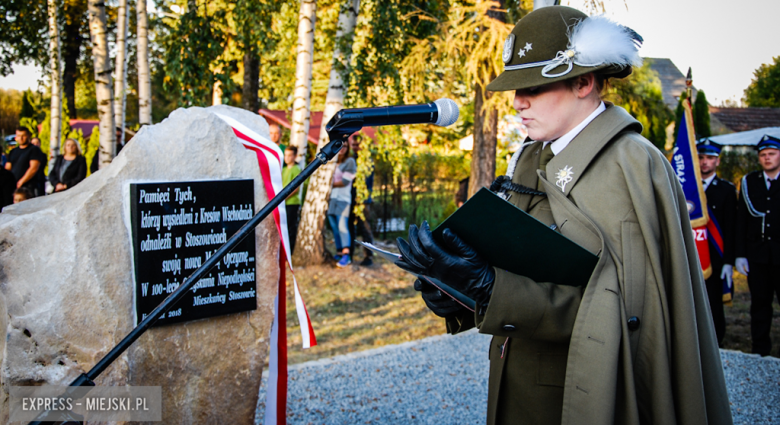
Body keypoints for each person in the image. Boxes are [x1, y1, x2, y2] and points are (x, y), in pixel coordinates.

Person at [396, 7, 731, 425]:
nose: (518, 102)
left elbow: (623, 314)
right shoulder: (531, 156)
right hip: (520, 382)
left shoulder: (631, 164)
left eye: (533, 87)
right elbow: (519, 262)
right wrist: (458, 291)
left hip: (587, 394)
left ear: (584, 82)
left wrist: (489, 290)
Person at [735, 134, 780, 356]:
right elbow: (742, 219)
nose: (767, 158)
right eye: (763, 155)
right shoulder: (749, 182)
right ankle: (760, 350)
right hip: (758, 256)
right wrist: (740, 254)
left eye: (772, 154)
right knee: (760, 306)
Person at [697, 139, 737, 347]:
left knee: (713, 303)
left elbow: (731, 229)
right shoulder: (687, 189)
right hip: (692, 254)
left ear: (718, 161)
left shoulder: (727, 190)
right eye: (701, 157)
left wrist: (729, 261)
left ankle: (715, 344)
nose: (705, 162)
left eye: (710, 158)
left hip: (715, 257)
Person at [348, 133, 375, 267]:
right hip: (350, 198)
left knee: (365, 228)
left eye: (357, 145)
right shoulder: (350, 158)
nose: (355, 147)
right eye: (353, 145)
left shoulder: (366, 160)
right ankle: (350, 254)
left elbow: (368, 181)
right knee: (350, 227)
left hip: (363, 199)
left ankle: (368, 256)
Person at [328, 143, 356, 268]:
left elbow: (345, 181)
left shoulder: (350, 161)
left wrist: (327, 184)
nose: (342, 148)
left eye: (345, 146)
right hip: (331, 198)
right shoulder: (332, 161)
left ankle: (346, 255)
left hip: (343, 199)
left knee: (342, 226)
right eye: (340, 145)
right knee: (334, 227)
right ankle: (339, 251)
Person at [6, 126, 45, 197]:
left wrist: (21, 182)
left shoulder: (34, 150)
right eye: (18, 136)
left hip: (29, 187)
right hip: (14, 187)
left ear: (28, 136)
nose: (21, 138)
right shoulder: (13, 151)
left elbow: (33, 168)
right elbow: (8, 168)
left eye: (23, 136)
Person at [282, 145, 302, 254]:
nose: (287, 158)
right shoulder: (284, 169)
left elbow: (296, 188)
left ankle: (290, 252)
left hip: (292, 203)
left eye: (290, 155)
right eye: (286, 155)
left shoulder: (296, 169)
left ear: (294, 156)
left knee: (291, 228)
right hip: (283, 203)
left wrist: (284, 197)